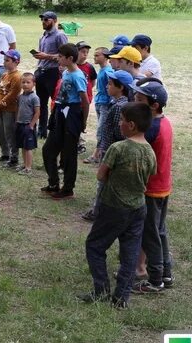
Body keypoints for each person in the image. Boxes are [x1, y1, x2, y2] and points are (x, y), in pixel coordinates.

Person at [78, 102, 156, 309]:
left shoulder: (118, 148)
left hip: (113, 207)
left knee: (95, 246)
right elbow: (151, 175)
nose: (119, 124)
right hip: (138, 208)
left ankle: (101, 290)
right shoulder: (150, 151)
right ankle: (121, 298)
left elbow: (101, 174)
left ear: (131, 125)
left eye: (121, 120)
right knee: (130, 254)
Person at [130, 79, 174, 293]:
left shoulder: (151, 127)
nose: (135, 102)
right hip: (163, 186)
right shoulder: (165, 122)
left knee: (150, 235)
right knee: (160, 230)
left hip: (151, 188)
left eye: (139, 100)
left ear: (154, 105)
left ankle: (155, 279)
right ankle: (166, 272)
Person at [81, 69, 134, 222]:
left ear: (121, 87)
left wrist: (107, 148)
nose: (106, 86)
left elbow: (119, 133)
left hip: (111, 151)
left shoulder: (119, 107)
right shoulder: (116, 103)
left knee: (103, 183)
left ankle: (97, 212)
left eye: (110, 84)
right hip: (109, 148)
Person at [41, 43, 88, 200]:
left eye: (60, 57)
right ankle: (53, 183)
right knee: (48, 150)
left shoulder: (78, 76)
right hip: (60, 113)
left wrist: (84, 121)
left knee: (69, 154)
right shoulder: (66, 72)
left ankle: (68, 189)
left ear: (69, 58)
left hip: (72, 114)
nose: (58, 59)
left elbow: (84, 101)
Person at [30, 10, 66, 138]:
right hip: (41, 72)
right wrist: (39, 58)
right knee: (41, 103)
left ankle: (55, 129)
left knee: (55, 103)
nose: (43, 22)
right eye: (42, 19)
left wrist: (47, 56)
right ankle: (42, 131)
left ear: (55, 21)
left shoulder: (59, 36)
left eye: (46, 19)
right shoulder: (43, 36)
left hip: (53, 73)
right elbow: (43, 55)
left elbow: (65, 55)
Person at [0, 49, 22, 168]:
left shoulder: (17, 77)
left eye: (7, 60)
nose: (4, 63)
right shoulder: (4, 74)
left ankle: (13, 157)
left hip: (10, 109)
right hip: (0, 109)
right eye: (4, 60)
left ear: (16, 62)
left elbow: (12, 95)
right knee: (0, 132)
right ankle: (5, 154)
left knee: (10, 133)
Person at [85, 47, 115, 164]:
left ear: (105, 57)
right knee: (101, 128)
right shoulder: (102, 70)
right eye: (94, 55)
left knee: (101, 130)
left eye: (98, 55)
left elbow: (112, 88)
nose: (94, 57)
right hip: (99, 102)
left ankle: (96, 155)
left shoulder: (108, 72)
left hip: (105, 104)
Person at [14, 73, 40, 175]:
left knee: (28, 147)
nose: (25, 84)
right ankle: (24, 165)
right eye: (23, 82)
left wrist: (32, 125)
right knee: (22, 146)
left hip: (28, 125)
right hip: (20, 124)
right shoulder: (20, 97)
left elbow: (37, 112)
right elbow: (18, 110)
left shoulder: (34, 97)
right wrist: (16, 121)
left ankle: (28, 168)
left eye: (28, 82)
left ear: (33, 83)